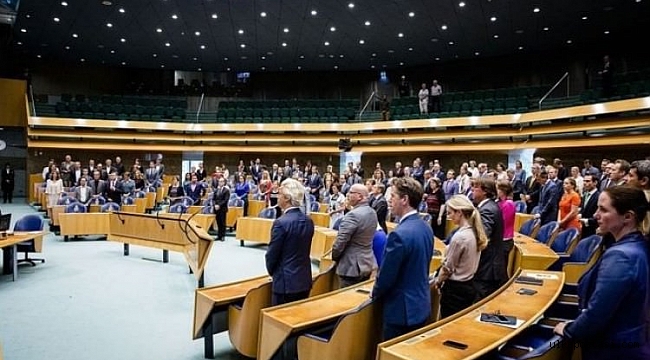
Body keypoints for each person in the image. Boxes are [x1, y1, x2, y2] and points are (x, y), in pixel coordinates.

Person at [554, 186, 650, 360]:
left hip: (613, 349)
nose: (596, 215)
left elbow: (598, 311)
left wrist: (569, 330)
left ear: (627, 217)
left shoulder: (621, 255)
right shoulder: (639, 245)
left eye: (603, 210)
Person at [371, 177, 433, 341]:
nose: (389, 200)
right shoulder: (425, 226)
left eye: (393, 196)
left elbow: (386, 277)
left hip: (401, 311)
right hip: (421, 305)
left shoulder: (399, 234)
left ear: (404, 199)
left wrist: (374, 293)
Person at [435, 195, 488, 318]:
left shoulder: (460, 237)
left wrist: (437, 281)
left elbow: (448, 268)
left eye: (450, 213)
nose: (449, 217)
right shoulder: (474, 231)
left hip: (455, 291)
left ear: (459, 212)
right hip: (469, 285)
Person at [265, 178, 315, 305]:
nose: (277, 197)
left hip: (285, 283)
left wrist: (273, 273)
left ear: (287, 198)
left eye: (280, 194)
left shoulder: (281, 223)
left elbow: (272, 255)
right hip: (304, 279)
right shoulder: (308, 221)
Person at [331, 184, 378, 288]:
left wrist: (334, 257)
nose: (348, 194)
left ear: (360, 196)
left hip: (350, 267)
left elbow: (340, 242)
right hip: (367, 263)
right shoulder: (372, 212)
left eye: (351, 192)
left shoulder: (352, 215)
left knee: (346, 301)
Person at [471, 178, 506, 300]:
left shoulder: (487, 210)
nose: (472, 190)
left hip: (487, 269)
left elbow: (482, 237)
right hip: (489, 267)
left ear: (484, 191)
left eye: (475, 187)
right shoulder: (489, 206)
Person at [579, 174, 600, 239]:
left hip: (593, 229)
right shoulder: (585, 194)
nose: (585, 183)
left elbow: (599, 215)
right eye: (584, 181)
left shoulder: (599, 196)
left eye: (588, 181)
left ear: (595, 183)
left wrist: (587, 221)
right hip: (584, 228)